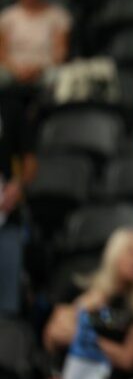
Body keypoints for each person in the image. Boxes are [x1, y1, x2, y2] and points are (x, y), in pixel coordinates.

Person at [43, 227, 133, 379]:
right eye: (132, 253)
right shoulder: (80, 288)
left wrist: (91, 341)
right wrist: (83, 305)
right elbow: (53, 336)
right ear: (115, 253)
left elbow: (128, 360)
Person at [0, 0, 71, 88]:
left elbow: (60, 53)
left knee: (61, 78)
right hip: (13, 69)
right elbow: (2, 54)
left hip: (45, 69)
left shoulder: (58, 16)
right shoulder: (7, 17)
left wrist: (38, 69)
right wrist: (17, 70)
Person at [0, 92, 37, 316]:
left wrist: (17, 186)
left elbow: (30, 162)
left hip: (5, 217)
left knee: (5, 309)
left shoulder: (10, 107)